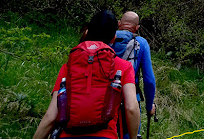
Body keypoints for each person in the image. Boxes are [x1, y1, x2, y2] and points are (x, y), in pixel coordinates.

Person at [33, 10, 140, 139]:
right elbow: (131, 108)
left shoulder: (69, 67)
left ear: (87, 32)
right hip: (105, 136)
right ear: (113, 38)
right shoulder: (124, 67)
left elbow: (50, 116)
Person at [112, 11, 156, 138]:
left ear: (119, 24)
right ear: (137, 28)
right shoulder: (141, 43)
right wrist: (149, 106)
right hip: (130, 99)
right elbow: (149, 80)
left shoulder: (107, 38)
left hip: (106, 99)